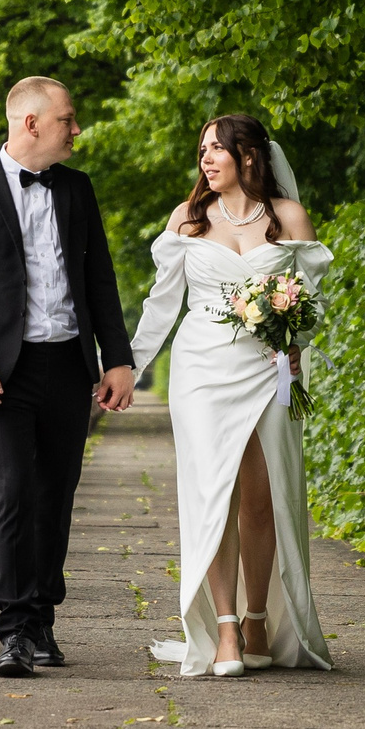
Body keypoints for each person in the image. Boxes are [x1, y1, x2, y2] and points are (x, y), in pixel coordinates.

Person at [0, 77, 136, 677]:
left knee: (54, 496)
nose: (77, 129)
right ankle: (14, 629)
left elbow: (100, 277)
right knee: (15, 489)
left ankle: (43, 616)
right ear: (32, 123)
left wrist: (116, 359)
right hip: (1, 372)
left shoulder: (77, 189)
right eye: (68, 119)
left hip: (68, 365)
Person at [128, 115, 334, 677]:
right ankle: (223, 628)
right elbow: (162, 304)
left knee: (263, 496)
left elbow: (313, 303)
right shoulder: (188, 219)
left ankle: (258, 618)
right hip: (200, 369)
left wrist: (297, 343)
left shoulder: (288, 217)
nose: (206, 159)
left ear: (248, 155)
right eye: (202, 150)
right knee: (214, 496)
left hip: (268, 369)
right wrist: (126, 366)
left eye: (216, 148)